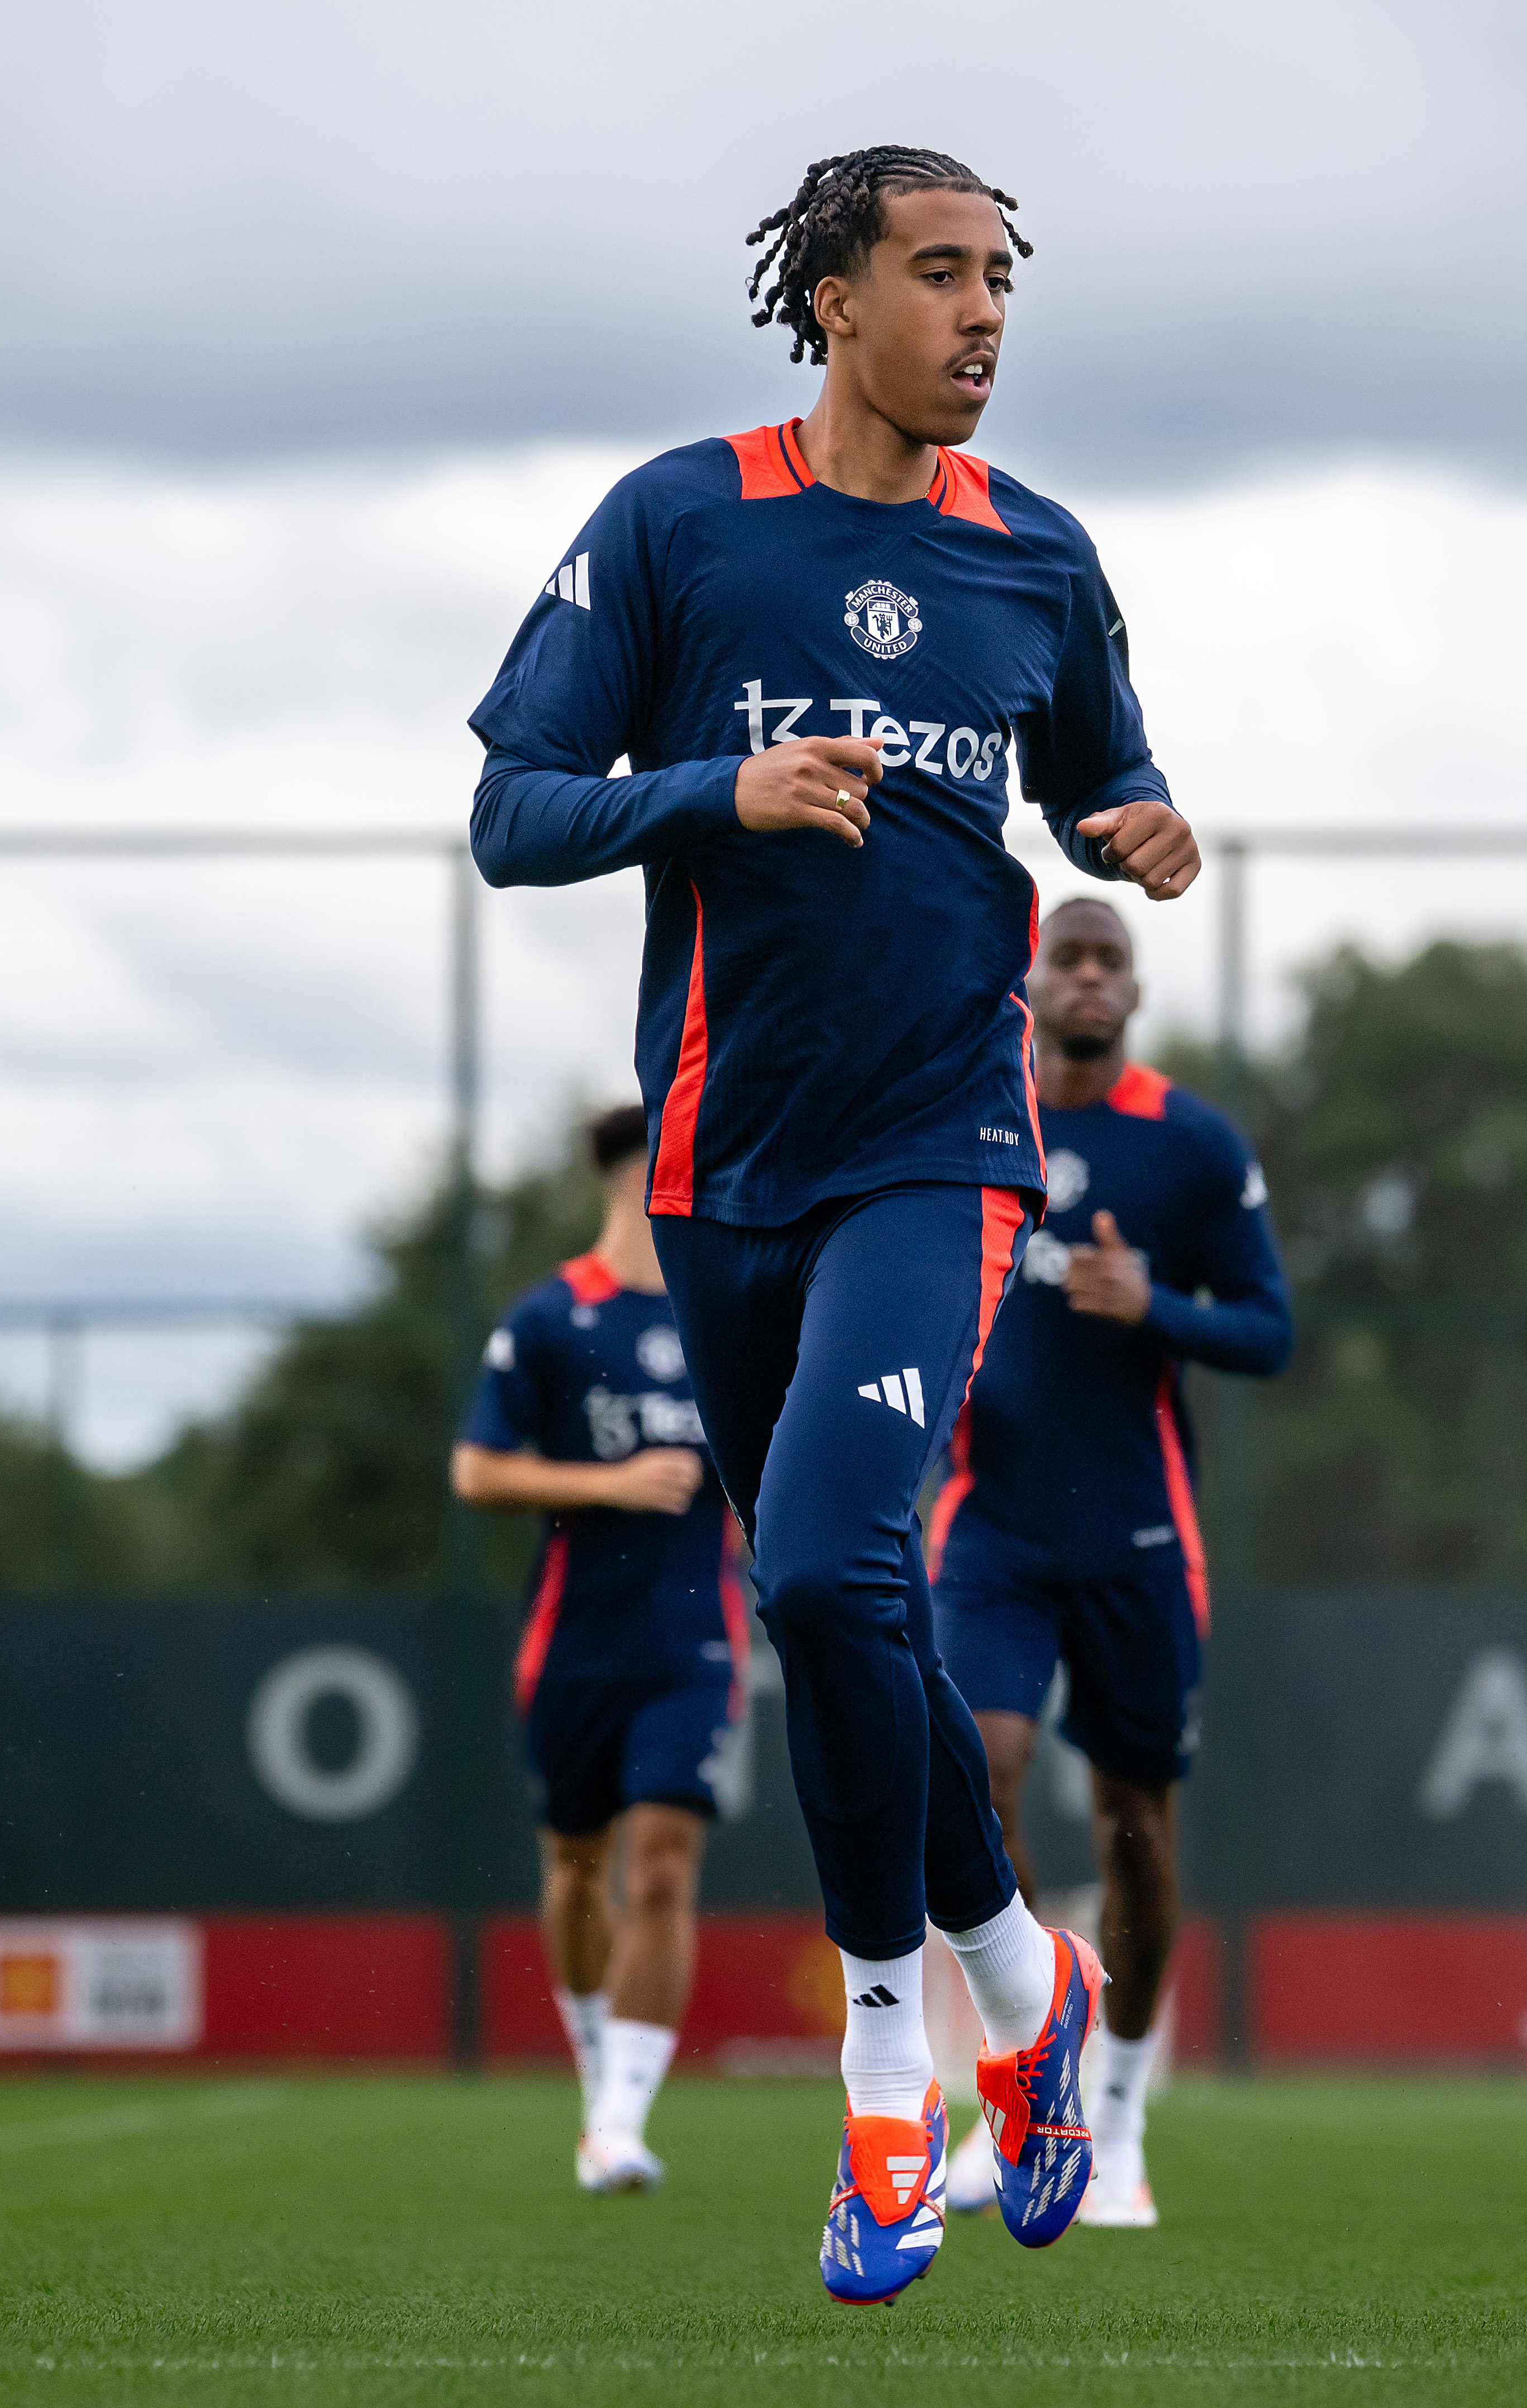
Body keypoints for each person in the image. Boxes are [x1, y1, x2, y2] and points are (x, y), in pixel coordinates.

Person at [465, 145, 1202, 2305]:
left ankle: (893, 2093)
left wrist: (1131, 821)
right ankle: (1016, 1991)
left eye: (1003, 283)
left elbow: (1095, 771)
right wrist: (718, 788)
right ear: (830, 299)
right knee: (835, 1622)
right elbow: (513, 811)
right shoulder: (679, 521)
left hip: (937, 1153)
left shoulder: (1038, 556)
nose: (982, 316)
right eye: (941, 276)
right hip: (721, 1167)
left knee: (816, 1564)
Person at [928, 895, 1289, 2230]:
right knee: (983, 1775)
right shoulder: (966, 1108)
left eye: (1109, 960)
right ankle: (1023, 2093)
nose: (1088, 976)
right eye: (1067, 957)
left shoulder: (1188, 1142)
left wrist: (1159, 1306)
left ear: (1132, 990)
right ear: (1031, 978)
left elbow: (1269, 1328)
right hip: (992, 1528)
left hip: (1138, 1531)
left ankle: (1121, 2120)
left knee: (1139, 1826)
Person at [450, 1103, 745, 2196]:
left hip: (693, 1643)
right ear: (636, 1182)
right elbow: (478, 1470)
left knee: (663, 1863)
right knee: (575, 1869)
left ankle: (619, 2119)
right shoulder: (551, 1317)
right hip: (571, 1643)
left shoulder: (730, 1324)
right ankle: (598, 2071)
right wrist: (607, 1483)